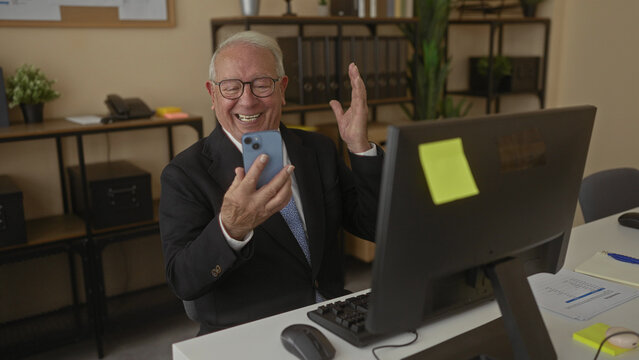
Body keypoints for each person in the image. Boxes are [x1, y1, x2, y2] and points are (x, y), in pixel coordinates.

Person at [159, 31, 384, 335]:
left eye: (262, 84)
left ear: (283, 89)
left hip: (334, 317)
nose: (248, 101)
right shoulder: (185, 174)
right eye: (231, 88)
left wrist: (359, 147)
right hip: (249, 335)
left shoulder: (318, 149)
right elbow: (184, 281)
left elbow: (374, 226)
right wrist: (231, 228)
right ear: (213, 95)